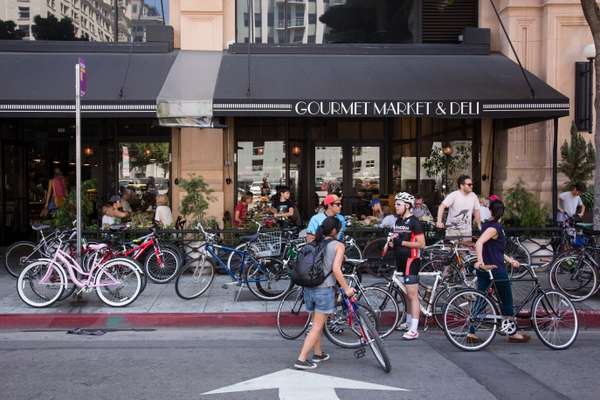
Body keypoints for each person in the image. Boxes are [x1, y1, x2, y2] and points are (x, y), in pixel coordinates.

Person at [294, 216, 356, 370]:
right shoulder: (338, 245)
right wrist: (347, 289)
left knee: (316, 324)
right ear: (335, 230)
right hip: (324, 290)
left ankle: (318, 353)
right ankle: (301, 359)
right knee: (317, 327)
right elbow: (336, 269)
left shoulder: (315, 241)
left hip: (309, 288)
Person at [468, 200, 530, 344]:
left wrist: (510, 260)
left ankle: (471, 331)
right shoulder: (495, 228)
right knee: (506, 299)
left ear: (490, 210)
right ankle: (512, 332)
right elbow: (479, 243)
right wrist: (480, 261)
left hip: (488, 269)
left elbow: (496, 249)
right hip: (495, 269)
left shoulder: (487, 225)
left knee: (481, 298)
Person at [389, 192, 426, 340]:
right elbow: (396, 239)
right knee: (406, 294)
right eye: (396, 204)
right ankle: (409, 321)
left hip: (412, 260)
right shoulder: (398, 221)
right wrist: (391, 242)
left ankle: (414, 329)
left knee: (412, 295)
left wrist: (402, 243)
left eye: (398, 204)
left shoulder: (415, 222)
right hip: (400, 260)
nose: (395, 206)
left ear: (407, 206)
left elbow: (422, 244)